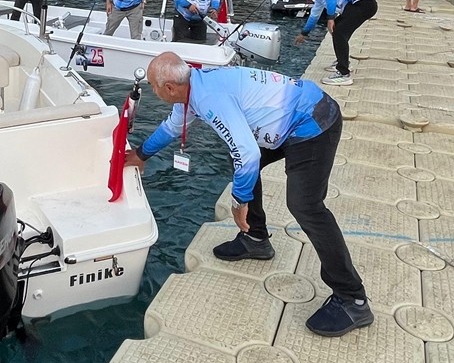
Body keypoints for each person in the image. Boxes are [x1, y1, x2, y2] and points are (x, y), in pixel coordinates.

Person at [127, 53, 373, 337]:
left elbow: (247, 152)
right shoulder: (193, 85)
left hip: (312, 121)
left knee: (305, 206)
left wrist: (239, 201)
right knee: (242, 165)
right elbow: (172, 126)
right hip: (286, 122)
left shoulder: (209, 99)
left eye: (153, 87)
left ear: (169, 87)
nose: (153, 92)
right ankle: (256, 239)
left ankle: (352, 298)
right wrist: (142, 153)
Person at [296, 0, 378, 86]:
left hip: (361, 3)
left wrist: (330, 18)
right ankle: (342, 62)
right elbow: (314, 15)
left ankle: (344, 74)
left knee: (339, 32)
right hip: (363, 3)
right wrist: (304, 33)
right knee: (338, 31)